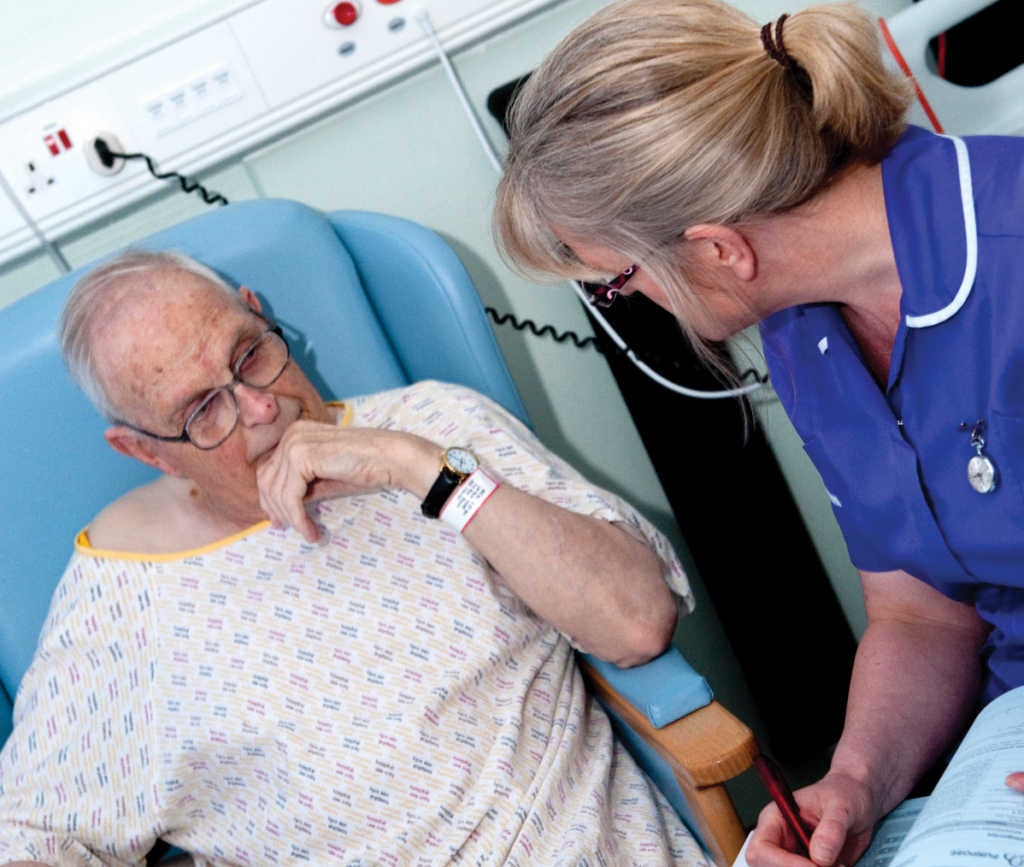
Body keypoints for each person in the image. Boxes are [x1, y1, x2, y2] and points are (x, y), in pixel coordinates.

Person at [493, 0, 1024, 865]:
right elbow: (922, 613)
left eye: (617, 279)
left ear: (718, 249)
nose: (628, 303)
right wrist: (854, 782)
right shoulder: (803, 333)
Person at [0, 251, 709, 867]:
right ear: (145, 451)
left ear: (258, 312)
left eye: (249, 356)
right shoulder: (124, 600)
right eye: (203, 410)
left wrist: (416, 468)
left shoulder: (434, 428)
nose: (261, 408)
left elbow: (636, 621)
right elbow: (27, 839)